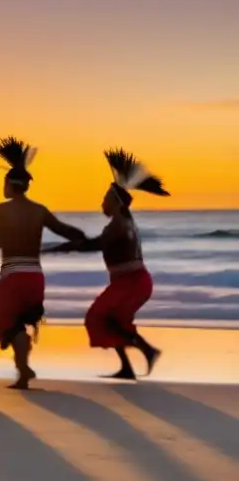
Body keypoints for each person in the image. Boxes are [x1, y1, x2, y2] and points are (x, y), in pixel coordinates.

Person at [0, 137, 87, 389]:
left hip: (13, 277)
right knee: (17, 322)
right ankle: (22, 373)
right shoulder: (40, 210)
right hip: (35, 278)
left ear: (9, 184)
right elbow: (71, 233)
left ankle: (23, 369)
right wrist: (73, 243)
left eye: (4, 183)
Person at [48, 148, 167, 379]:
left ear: (114, 202)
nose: (101, 203)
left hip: (132, 282)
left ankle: (147, 351)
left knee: (98, 316)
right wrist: (69, 245)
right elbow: (96, 243)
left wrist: (64, 247)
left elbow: (94, 245)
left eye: (105, 199)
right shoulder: (124, 220)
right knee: (113, 319)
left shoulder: (118, 224)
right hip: (134, 281)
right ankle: (130, 366)